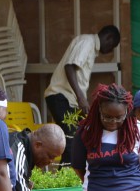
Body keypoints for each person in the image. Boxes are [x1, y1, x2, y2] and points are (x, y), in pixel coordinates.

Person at [44, 25, 120, 161]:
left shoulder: (90, 46)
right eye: (112, 46)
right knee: (71, 138)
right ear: (109, 38)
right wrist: (81, 98)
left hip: (70, 100)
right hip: (60, 96)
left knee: (81, 137)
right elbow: (69, 66)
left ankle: (76, 171)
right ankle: (66, 173)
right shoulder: (87, 42)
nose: (110, 51)